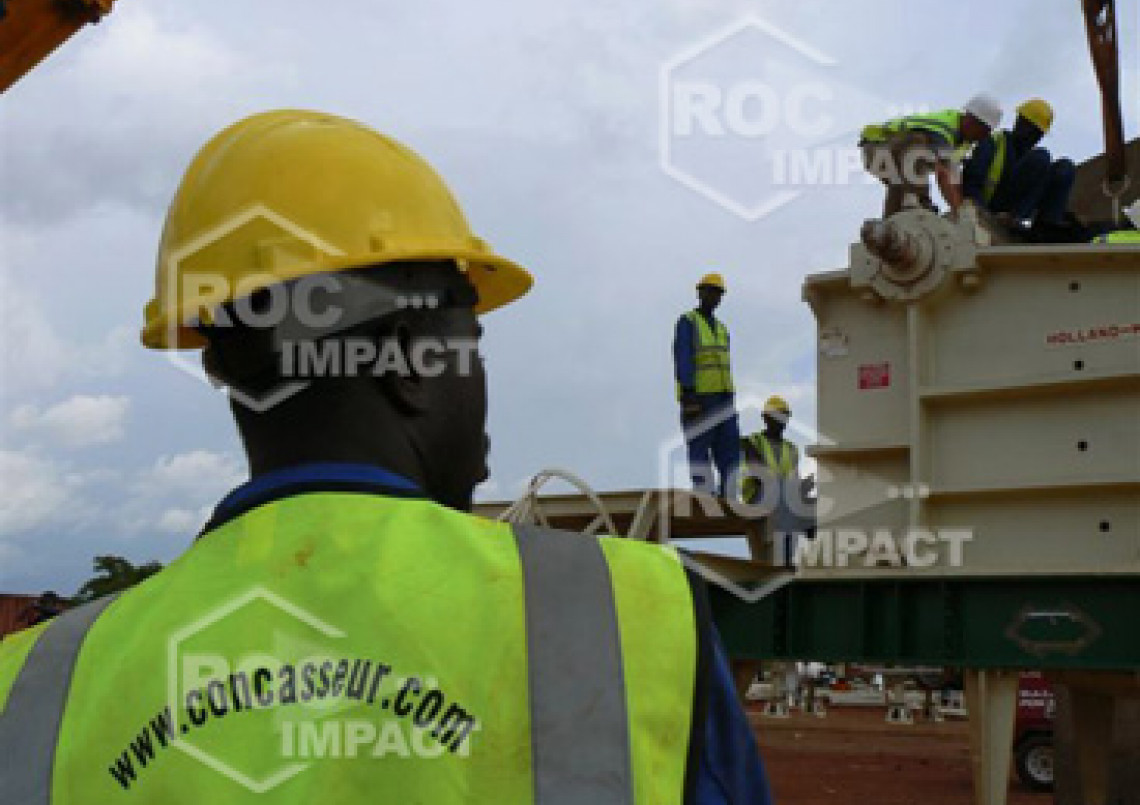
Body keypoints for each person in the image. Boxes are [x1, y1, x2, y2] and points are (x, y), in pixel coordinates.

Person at [0, 110, 772, 804]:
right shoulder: (626, 618)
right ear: (409, 361)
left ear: (223, 365)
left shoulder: (36, 685)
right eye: (472, 344)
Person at [860, 93, 1002, 217]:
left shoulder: (962, 142)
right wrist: (959, 212)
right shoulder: (944, 129)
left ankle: (891, 225)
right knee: (918, 144)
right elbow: (943, 174)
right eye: (983, 132)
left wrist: (962, 209)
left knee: (901, 187)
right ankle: (920, 200)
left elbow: (953, 180)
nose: (983, 138)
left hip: (896, 160)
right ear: (971, 121)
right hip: (877, 149)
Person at [962, 99, 1076, 234]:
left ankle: (1047, 228)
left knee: (1065, 167)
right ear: (1020, 122)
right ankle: (1014, 218)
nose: (1035, 137)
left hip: (1021, 211)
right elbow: (971, 182)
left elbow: (1038, 189)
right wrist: (983, 215)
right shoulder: (993, 143)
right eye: (1033, 130)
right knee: (1042, 156)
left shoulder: (1030, 157)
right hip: (992, 208)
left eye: (1040, 134)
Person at [673, 273, 740, 497]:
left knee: (729, 448)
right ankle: (704, 495)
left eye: (718, 293)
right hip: (700, 397)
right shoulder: (688, 322)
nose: (714, 296)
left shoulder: (722, 328)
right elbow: (683, 356)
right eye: (710, 291)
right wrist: (689, 393)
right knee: (700, 448)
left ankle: (729, 496)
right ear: (700, 292)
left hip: (724, 398)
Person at [739, 396, 813, 566]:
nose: (779, 420)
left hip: (783, 500)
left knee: (806, 500)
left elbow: (794, 481)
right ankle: (781, 560)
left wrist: (805, 491)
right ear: (765, 418)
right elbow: (759, 474)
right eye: (775, 415)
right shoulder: (752, 442)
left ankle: (788, 558)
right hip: (758, 497)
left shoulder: (791, 448)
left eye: (783, 416)